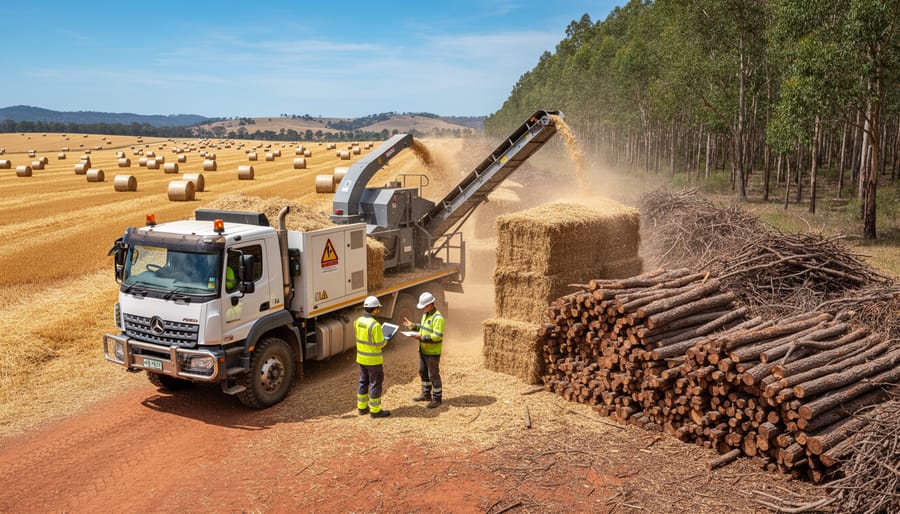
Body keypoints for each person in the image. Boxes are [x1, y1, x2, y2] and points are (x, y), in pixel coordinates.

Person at [404, 291, 445, 409]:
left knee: (433, 375)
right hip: (423, 350)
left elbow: (437, 336)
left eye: (424, 306)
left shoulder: (438, 318)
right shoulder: (425, 315)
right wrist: (413, 326)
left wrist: (421, 337)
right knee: (422, 372)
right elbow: (423, 328)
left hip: (432, 352)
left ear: (430, 305)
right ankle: (426, 394)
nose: (422, 309)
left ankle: (437, 398)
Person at [355, 296, 391, 418]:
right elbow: (380, 344)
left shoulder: (358, 321)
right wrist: (387, 338)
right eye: (378, 308)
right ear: (375, 309)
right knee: (375, 383)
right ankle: (375, 411)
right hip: (373, 361)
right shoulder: (375, 325)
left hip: (361, 358)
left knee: (363, 382)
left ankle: (362, 408)